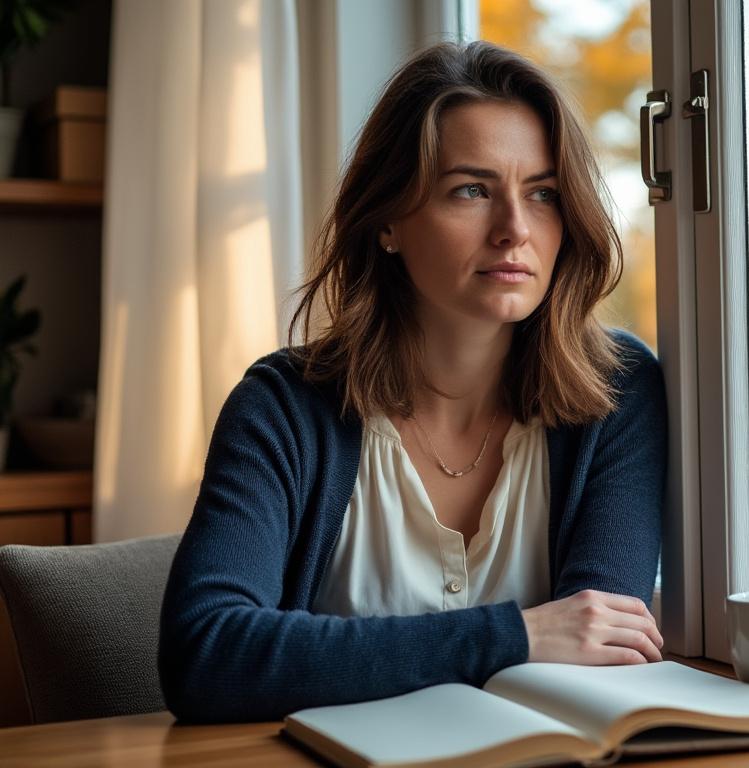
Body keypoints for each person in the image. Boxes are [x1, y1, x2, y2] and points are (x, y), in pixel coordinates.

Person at [157, 41, 667, 723]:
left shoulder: (616, 392)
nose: (514, 229)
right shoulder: (282, 408)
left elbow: (604, 646)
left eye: (542, 194)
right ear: (389, 221)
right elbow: (206, 653)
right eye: (471, 190)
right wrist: (514, 636)